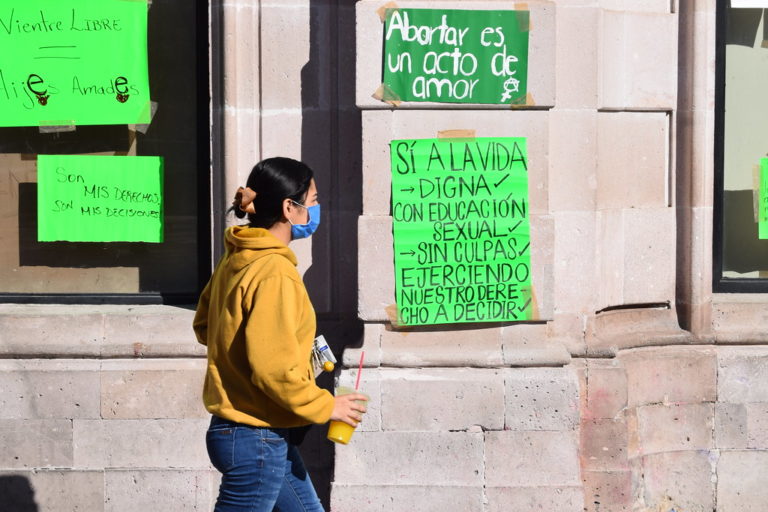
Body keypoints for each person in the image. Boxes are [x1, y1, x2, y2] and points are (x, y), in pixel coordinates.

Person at [193, 157, 367, 512]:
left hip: (254, 429)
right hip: (255, 435)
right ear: (290, 207)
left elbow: (205, 326)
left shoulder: (237, 257)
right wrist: (326, 406)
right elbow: (272, 369)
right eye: (314, 200)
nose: (317, 209)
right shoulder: (274, 272)